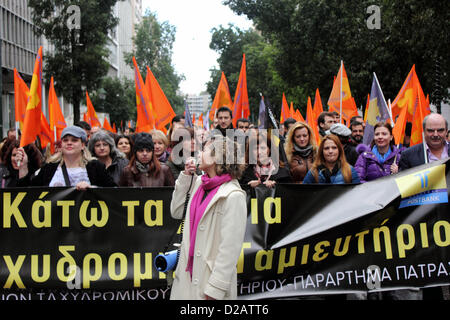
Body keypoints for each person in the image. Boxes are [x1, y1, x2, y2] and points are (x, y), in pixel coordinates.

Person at [170, 134, 247, 300]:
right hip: (186, 280)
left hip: (208, 284)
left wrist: (215, 289)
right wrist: (185, 177)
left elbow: (229, 250)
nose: (198, 154)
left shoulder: (234, 195)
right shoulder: (198, 182)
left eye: (203, 149)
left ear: (216, 157)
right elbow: (176, 211)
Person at [17, 126, 116, 189]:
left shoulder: (95, 167)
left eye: (74, 140)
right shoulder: (50, 167)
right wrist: (23, 167)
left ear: (82, 145)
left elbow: (113, 191)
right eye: (65, 140)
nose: (69, 143)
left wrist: (92, 188)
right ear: (61, 144)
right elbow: (28, 192)